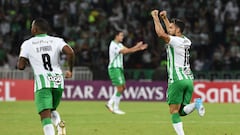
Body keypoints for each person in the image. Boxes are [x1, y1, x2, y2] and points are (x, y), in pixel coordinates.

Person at [151, 10, 205, 135]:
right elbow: (171, 30)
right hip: (188, 79)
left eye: (171, 27)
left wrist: (155, 17)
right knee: (181, 111)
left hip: (177, 79)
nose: (169, 27)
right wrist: (165, 18)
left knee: (173, 111)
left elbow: (160, 34)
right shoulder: (186, 40)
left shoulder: (175, 41)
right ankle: (197, 103)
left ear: (178, 30)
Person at [17, 18, 75, 135]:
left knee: (45, 115)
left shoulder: (28, 44)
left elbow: (21, 66)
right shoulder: (57, 40)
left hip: (43, 82)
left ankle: (56, 128)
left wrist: (29, 60)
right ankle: (59, 125)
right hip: (58, 80)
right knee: (51, 110)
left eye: (32, 27)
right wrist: (70, 70)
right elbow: (70, 52)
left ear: (35, 29)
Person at [105, 31, 148, 115]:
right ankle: (112, 105)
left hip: (119, 68)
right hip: (114, 68)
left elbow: (128, 50)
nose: (122, 37)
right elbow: (125, 52)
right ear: (116, 36)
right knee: (120, 88)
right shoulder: (113, 45)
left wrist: (139, 48)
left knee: (123, 87)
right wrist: (137, 46)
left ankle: (113, 105)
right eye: (121, 35)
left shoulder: (120, 45)